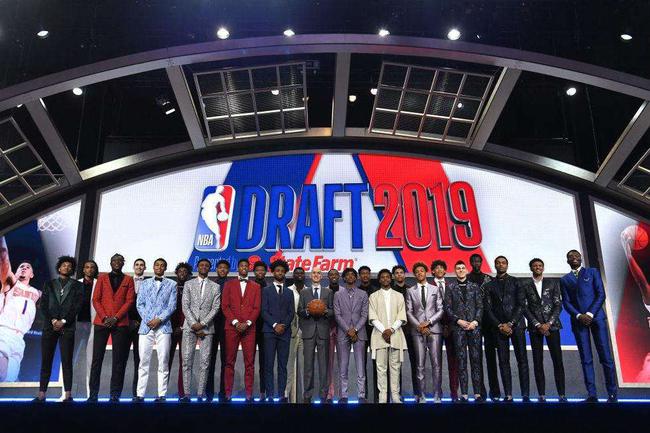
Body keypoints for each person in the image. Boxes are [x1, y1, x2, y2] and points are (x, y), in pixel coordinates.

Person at [560, 249, 618, 402]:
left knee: (606, 357)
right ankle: (592, 394)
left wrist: (590, 314)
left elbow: (601, 294)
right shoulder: (564, 280)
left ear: (581, 258)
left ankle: (612, 393)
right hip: (579, 321)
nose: (574, 257)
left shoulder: (592, 272)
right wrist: (579, 316)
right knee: (586, 359)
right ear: (567, 261)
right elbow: (566, 302)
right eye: (570, 256)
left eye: (576, 255)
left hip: (596, 318)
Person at [33, 256, 83, 402]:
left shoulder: (77, 285)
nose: (66, 267)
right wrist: (54, 320)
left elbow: (77, 306)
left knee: (67, 361)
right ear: (59, 268)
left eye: (69, 266)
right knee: (46, 360)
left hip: (68, 327)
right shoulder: (49, 284)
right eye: (64, 265)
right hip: (50, 326)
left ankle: (68, 394)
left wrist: (64, 321)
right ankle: (42, 394)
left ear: (72, 269)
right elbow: (43, 305)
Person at [88, 254, 135, 402]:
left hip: (120, 323)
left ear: (123, 263)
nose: (117, 263)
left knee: (118, 360)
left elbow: (130, 301)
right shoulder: (102, 278)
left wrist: (116, 318)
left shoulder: (128, 279)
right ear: (110, 262)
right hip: (102, 322)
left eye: (120, 261)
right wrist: (104, 317)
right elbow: (95, 299)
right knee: (97, 359)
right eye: (114, 260)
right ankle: (93, 394)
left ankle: (115, 394)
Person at [483, 256, 529, 402]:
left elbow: (521, 304)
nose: (501, 265)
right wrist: (499, 325)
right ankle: (508, 395)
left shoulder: (517, 282)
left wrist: (511, 323)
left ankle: (525, 395)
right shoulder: (489, 285)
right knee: (503, 362)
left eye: (503, 263)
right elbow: (488, 309)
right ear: (495, 265)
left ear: (507, 265)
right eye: (498, 263)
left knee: (522, 360)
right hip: (499, 328)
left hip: (516, 326)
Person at [521, 258, 566, 402]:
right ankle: (541, 395)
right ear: (531, 268)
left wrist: (548, 323)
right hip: (535, 328)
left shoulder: (552, 283)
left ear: (543, 267)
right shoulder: (525, 285)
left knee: (557, 360)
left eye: (540, 265)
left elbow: (558, 305)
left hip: (552, 326)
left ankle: (562, 395)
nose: (537, 267)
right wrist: (537, 324)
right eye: (535, 266)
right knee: (537, 361)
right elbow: (524, 307)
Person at [134, 258, 177, 402]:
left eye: (162, 265)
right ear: (153, 267)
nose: (159, 267)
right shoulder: (145, 283)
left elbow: (172, 306)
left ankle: (162, 394)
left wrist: (159, 319)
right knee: (143, 361)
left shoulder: (172, 284)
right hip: (146, 327)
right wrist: (149, 320)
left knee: (163, 361)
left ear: (165, 268)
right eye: (157, 265)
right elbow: (140, 304)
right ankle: (140, 394)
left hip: (163, 327)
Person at [180, 258, 220, 402]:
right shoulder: (188, 284)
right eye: (201, 265)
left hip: (207, 328)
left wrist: (202, 323)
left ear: (210, 268)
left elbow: (215, 308)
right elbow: (185, 305)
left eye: (206, 265)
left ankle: (200, 394)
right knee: (186, 361)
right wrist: (194, 324)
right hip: (189, 327)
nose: (204, 267)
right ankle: (187, 394)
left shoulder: (215, 287)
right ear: (197, 267)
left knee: (205, 362)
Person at [0, 237, 40, 383]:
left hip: (20, 339)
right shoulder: (10, 282)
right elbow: (4, 257)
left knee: (9, 381)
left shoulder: (37, 293)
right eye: (21, 266)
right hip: (4, 331)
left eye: (27, 267)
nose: (24, 267)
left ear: (32, 274)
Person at [221, 258, 261, 403]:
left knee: (249, 362)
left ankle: (249, 394)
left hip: (249, 329)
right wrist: (236, 322)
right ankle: (228, 393)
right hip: (232, 327)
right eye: (241, 265)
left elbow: (257, 307)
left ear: (249, 268)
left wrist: (248, 323)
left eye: (246, 266)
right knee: (229, 361)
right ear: (238, 268)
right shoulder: (229, 285)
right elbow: (225, 306)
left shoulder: (256, 286)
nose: (244, 267)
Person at [444, 260, 484, 403]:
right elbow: (447, 308)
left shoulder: (475, 287)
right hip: (458, 329)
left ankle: (478, 394)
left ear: (466, 270)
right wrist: (458, 321)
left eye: (462, 268)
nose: (461, 270)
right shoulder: (450, 287)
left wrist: (475, 322)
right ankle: (465, 394)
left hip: (474, 328)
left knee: (476, 361)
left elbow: (480, 306)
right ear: (455, 271)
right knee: (461, 362)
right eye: (458, 268)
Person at [405, 262, 444, 403]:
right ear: (414, 274)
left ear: (426, 272)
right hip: (418, 331)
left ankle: (437, 395)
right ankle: (421, 396)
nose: (419, 273)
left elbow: (441, 309)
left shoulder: (435, 289)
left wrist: (429, 322)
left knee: (436, 365)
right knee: (420, 365)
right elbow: (409, 312)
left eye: (422, 270)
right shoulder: (410, 291)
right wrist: (419, 326)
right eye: (417, 271)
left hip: (434, 330)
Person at [369, 269, 407, 404]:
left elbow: (401, 315)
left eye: (387, 277)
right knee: (381, 368)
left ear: (391, 279)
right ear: (379, 280)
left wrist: (391, 330)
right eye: (382, 277)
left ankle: (395, 396)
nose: (385, 279)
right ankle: (383, 397)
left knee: (395, 368)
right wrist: (384, 331)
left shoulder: (399, 296)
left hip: (395, 335)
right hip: (379, 335)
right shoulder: (373, 296)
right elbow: (372, 317)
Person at [297, 267, 333, 403]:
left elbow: (332, 311)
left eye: (318, 273)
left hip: (323, 331)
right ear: (310, 276)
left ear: (322, 276)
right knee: (308, 365)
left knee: (323, 366)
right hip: (308, 332)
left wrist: (323, 310)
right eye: (314, 273)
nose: (316, 275)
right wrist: (308, 311)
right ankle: (307, 395)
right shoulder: (304, 292)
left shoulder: (328, 292)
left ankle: (323, 395)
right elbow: (299, 310)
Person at [261, 260, 294, 403]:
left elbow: (291, 312)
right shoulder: (266, 291)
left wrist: (283, 326)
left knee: (282, 365)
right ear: (273, 272)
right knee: (268, 364)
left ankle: (281, 394)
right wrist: (275, 325)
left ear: (285, 273)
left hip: (284, 333)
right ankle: (269, 394)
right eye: (277, 270)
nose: (280, 273)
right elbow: (263, 311)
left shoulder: (289, 292)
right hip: (269, 331)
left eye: (282, 271)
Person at [333, 268, 369, 403]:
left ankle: (361, 395)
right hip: (343, 332)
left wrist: (356, 329)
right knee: (343, 366)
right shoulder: (338, 294)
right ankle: (343, 395)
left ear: (356, 277)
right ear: (343, 278)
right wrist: (348, 330)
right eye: (347, 275)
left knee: (360, 366)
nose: (350, 277)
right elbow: (337, 315)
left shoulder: (363, 294)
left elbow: (364, 314)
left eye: (352, 275)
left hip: (360, 333)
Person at [467, 253, 499, 401]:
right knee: (476, 358)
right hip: (473, 322)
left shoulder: (489, 279)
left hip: (489, 322)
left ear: (481, 263)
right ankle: (480, 392)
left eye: (478, 261)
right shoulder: (466, 279)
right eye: (474, 261)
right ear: (470, 263)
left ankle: (495, 391)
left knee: (491, 358)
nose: (476, 263)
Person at [67, 259, 97, 397]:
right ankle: (66, 393)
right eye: (87, 267)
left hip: (92, 324)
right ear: (83, 269)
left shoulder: (99, 283)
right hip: (76, 324)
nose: (89, 269)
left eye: (92, 267)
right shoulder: (75, 283)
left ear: (95, 270)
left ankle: (90, 395)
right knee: (69, 359)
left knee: (91, 360)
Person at [431, 260, 459, 401]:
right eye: (437, 268)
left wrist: (449, 325)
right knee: (436, 363)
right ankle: (438, 393)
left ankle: (454, 393)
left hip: (452, 328)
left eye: (442, 267)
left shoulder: (452, 286)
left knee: (453, 363)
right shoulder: (429, 286)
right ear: (433, 271)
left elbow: (456, 307)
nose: (439, 270)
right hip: (435, 328)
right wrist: (440, 325)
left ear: (445, 271)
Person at [392, 264, 419, 399]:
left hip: (411, 330)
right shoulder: (390, 291)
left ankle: (417, 393)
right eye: (396, 273)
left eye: (401, 272)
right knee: (396, 364)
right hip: (396, 331)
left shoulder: (412, 290)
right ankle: (397, 394)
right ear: (394, 276)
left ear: (404, 274)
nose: (399, 275)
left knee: (415, 362)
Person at [205, 259, 230, 402]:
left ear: (228, 270)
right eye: (220, 267)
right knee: (210, 359)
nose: (222, 270)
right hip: (211, 324)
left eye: (225, 268)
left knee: (226, 361)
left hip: (226, 325)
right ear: (216, 270)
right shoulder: (210, 284)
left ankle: (223, 393)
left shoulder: (231, 285)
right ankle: (209, 393)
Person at [168, 262, 191, 398]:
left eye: (185, 271)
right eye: (180, 271)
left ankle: (182, 393)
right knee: (166, 361)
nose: (182, 273)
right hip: (169, 329)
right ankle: (162, 392)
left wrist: (182, 326)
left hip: (186, 329)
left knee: (185, 362)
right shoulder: (170, 287)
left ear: (188, 274)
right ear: (176, 273)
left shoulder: (192, 288)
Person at [285, 267, 305, 402]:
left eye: (301, 273)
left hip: (305, 332)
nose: (299, 275)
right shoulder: (288, 290)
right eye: (296, 273)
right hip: (290, 331)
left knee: (305, 367)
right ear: (293, 275)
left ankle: (305, 397)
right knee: (289, 366)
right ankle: (286, 396)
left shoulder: (308, 291)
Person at [129, 258, 146, 398]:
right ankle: (115, 394)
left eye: (141, 265)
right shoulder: (127, 281)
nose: (139, 267)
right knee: (120, 361)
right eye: (137, 265)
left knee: (139, 361)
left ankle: (137, 394)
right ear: (133, 267)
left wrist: (142, 321)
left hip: (142, 326)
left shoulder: (149, 283)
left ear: (144, 268)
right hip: (126, 325)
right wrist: (129, 321)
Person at [253, 260, 269, 401]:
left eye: (262, 270)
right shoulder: (250, 287)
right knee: (249, 362)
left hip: (265, 329)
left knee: (264, 362)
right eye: (257, 270)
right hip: (251, 328)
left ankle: (263, 392)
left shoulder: (268, 288)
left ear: (265, 272)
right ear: (254, 272)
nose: (260, 272)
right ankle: (249, 393)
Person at [325, 268, 340, 403]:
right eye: (331, 275)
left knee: (343, 362)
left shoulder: (344, 291)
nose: (334, 276)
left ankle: (343, 394)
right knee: (329, 363)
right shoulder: (324, 291)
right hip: (328, 330)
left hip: (343, 330)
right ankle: (330, 393)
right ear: (328, 277)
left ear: (339, 276)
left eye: (336, 274)